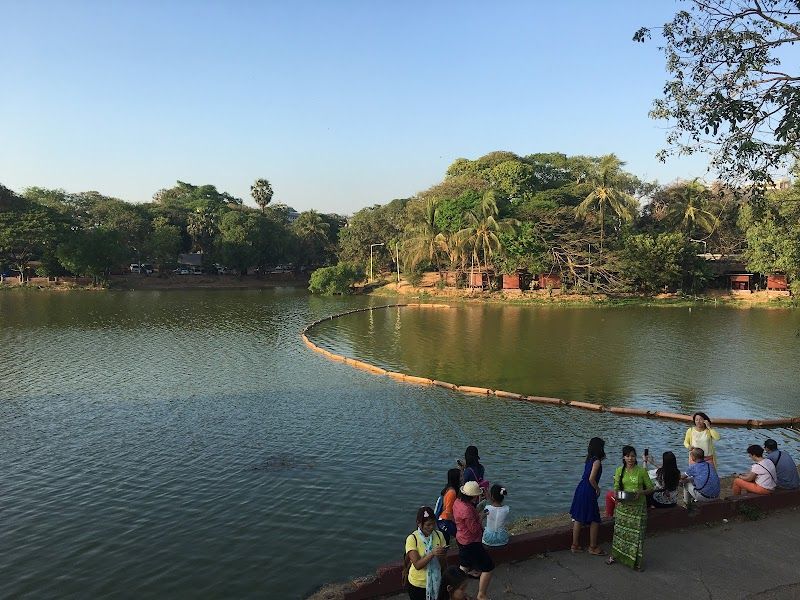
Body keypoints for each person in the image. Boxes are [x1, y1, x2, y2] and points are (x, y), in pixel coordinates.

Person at [606, 446, 654, 571]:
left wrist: (641, 492)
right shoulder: (619, 470)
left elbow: (651, 488)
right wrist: (617, 497)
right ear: (624, 457)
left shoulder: (641, 471)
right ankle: (615, 556)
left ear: (635, 457)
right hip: (623, 508)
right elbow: (616, 488)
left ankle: (636, 563)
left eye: (632, 456)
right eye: (627, 456)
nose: (630, 458)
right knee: (620, 534)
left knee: (637, 536)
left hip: (638, 509)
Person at [453, 480, 493, 600]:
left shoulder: (457, 502)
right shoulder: (468, 510)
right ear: (473, 496)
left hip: (461, 539)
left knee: (464, 567)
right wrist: (481, 516)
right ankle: (481, 594)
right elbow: (474, 530)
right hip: (471, 542)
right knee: (488, 567)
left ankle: (455, 592)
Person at [569, 437, 606, 555]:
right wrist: (598, 488)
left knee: (578, 517)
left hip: (581, 488)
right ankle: (593, 547)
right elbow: (592, 478)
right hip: (588, 490)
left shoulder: (589, 459)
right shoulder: (597, 462)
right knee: (595, 519)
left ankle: (574, 545)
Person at [404, 506, 447, 600]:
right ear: (419, 524)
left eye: (433, 524)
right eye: (428, 525)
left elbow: (443, 564)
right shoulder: (412, 539)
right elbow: (417, 565)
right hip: (418, 584)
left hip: (437, 581)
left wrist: (441, 555)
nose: (431, 527)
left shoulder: (439, 535)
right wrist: (432, 553)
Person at [437, 468, 461, 543]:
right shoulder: (452, 493)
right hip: (446, 521)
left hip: (444, 520)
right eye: (461, 476)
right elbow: (448, 512)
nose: (462, 478)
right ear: (456, 478)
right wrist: (457, 523)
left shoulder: (449, 488)